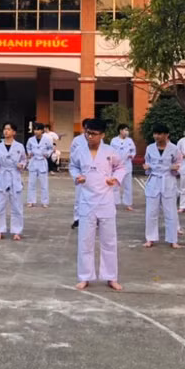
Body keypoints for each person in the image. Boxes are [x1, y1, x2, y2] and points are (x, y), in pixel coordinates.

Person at [70, 118, 126, 291]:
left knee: (109, 241)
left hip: (106, 201)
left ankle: (111, 276)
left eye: (93, 134)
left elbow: (121, 167)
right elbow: (73, 166)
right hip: (87, 201)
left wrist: (115, 179)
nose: (89, 137)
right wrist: (77, 176)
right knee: (85, 241)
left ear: (102, 135)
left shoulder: (110, 151)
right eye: (87, 133)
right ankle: (85, 276)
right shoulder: (79, 151)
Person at [143, 123, 183, 249]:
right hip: (154, 180)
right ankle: (150, 238)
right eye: (155, 134)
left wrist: (175, 168)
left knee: (170, 212)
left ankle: (173, 240)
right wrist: (147, 167)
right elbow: (147, 163)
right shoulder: (150, 148)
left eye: (160, 134)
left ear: (166, 135)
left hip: (168, 180)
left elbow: (179, 163)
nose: (157, 136)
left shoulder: (174, 149)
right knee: (151, 212)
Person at [0, 121, 27, 241]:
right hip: (2, 175)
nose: (6, 131)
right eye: (4, 129)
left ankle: (16, 231)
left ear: (14, 132)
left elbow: (24, 160)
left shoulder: (19, 146)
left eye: (8, 129)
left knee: (17, 206)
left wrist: (21, 165)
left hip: (14, 175)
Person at [110, 124, 137, 211]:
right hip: (116, 167)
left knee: (128, 186)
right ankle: (114, 203)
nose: (127, 132)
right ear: (120, 131)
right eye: (125, 130)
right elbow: (110, 152)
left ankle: (128, 204)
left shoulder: (130, 141)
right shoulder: (114, 140)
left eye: (127, 130)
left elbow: (133, 151)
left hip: (127, 166)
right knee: (115, 186)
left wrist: (131, 155)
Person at [25, 122, 52, 208]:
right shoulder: (30, 140)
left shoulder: (47, 139)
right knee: (31, 183)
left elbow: (51, 148)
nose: (36, 131)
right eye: (35, 129)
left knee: (44, 183)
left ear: (42, 130)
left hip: (42, 161)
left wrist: (47, 154)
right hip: (33, 161)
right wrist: (29, 153)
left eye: (38, 129)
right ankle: (31, 201)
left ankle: (45, 202)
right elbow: (28, 147)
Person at [70, 119, 90, 229]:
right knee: (79, 198)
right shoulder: (77, 140)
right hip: (81, 172)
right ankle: (77, 219)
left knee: (93, 198)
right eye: (86, 128)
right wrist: (77, 176)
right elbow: (73, 159)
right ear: (83, 128)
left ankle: (92, 219)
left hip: (93, 173)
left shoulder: (98, 140)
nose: (88, 131)